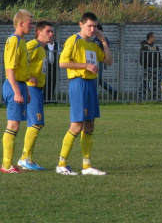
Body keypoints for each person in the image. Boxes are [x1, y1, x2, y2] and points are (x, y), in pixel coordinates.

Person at [56, 12, 113, 175]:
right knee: (76, 125)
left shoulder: (94, 44)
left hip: (90, 85)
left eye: (95, 26)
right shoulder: (74, 40)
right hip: (78, 84)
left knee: (89, 125)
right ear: (81, 25)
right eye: (89, 26)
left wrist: (103, 41)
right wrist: (85, 66)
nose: (92, 29)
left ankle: (87, 166)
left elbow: (108, 61)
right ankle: (61, 163)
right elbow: (62, 62)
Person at [17, 21, 54, 170]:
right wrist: (27, 77)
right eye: (48, 31)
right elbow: (19, 58)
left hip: (37, 89)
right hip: (31, 88)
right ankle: (25, 158)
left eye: (52, 32)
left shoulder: (42, 49)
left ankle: (28, 159)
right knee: (36, 123)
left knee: (35, 124)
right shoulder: (33, 44)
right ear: (39, 32)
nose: (51, 34)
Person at [0, 9, 33, 173]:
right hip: (13, 86)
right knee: (12, 125)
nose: (32, 27)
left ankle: (8, 164)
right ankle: (6, 165)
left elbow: (21, 69)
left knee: (15, 125)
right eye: (30, 23)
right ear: (20, 24)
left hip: (19, 85)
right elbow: (10, 69)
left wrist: (25, 89)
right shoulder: (14, 41)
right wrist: (17, 92)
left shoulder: (21, 41)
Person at [91, 24, 117, 99]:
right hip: (93, 61)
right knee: (97, 79)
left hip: (100, 61)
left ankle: (94, 95)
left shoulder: (104, 39)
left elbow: (106, 50)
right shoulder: (94, 39)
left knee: (97, 79)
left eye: (96, 29)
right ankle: (112, 91)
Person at [139, 32, 162, 101]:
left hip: (156, 68)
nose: (154, 38)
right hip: (148, 68)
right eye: (153, 37)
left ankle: (156, 98)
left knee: (156, 83)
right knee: (145, 83)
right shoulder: (144, 47)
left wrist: (159, 65)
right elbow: (141, 57)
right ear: (150, 37)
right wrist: (145, 66)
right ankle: (140, 98)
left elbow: (159, 56)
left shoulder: (155, 47)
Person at [44, 34, 60, 101]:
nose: (51, 37)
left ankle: (50, 98)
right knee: (46, 81)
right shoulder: (44, 44)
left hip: (54, 66)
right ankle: (44, 98)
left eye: (53, 36)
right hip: (46, 65)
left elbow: (58, 55)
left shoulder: (56, 44)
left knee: (53, 81)